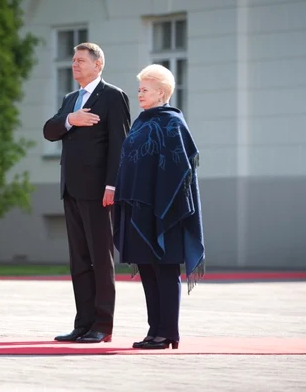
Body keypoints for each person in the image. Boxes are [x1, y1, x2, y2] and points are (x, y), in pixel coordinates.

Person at [113, 64, 205, 350]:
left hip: (166, 211)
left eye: (145, 89)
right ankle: (154, 331)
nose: (139, 94)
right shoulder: (141, 121)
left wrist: (161, 201)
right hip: (139, 210)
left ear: (161, 92)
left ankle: (168, 333)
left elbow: (181, 166)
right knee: (148, 271)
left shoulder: (172, 123)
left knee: (164, 271)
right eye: (139, 89)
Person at [43, 42, 130, 343]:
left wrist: (113, 184)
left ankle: (102, 325)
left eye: (81, 60)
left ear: (98, 64)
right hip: (71, 189)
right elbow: (49, 130)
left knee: (100, 258)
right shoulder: (71, 99)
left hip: (99, 192)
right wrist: (71, 119)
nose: (75, 65)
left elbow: (120, 143)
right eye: (73, 60)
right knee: (79, 259)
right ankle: (83, 323)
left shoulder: (113, 96)